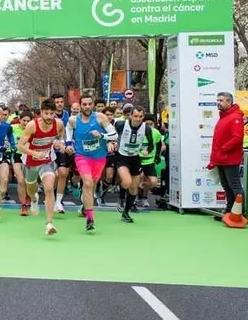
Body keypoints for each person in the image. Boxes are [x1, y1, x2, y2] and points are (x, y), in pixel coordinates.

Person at [65, 95, 118, 232]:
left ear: (93, 104)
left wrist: (102, 136)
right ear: (80, 105)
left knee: (92, 185)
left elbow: (115, 135)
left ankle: (84, 204)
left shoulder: (100, 117)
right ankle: (90, 218)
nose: (87, 107)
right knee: (87, 183)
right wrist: (69, 144)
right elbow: (68, 133)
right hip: (82, 156)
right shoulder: (73, 120)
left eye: (90, 104)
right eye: (84, 104)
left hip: (99, 157)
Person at [18, 99, 65, 235]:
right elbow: (20, 146)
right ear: (41, 113)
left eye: (52, 113)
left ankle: (49, 223)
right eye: (46, 113)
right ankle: (33, 199)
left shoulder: (59, 124)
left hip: (47, 160)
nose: (49, 117)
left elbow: (61, 136)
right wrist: (34, 153)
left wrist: (59, 143)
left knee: (49, 188)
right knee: (31, 188)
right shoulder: (32, 125)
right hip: (30, 161)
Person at [113, 106, 155, 223]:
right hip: (122, 156)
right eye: (135, 116)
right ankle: (121, 197)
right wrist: (111, 143)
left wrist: (147, 150)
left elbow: (151, 144)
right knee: (127, 182)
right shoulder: (121, 125)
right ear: (130, 116)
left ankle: (125, 213)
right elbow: (110, 133)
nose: (138, 119)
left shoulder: (146, 128)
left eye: (140, 117)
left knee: (133, 189)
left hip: (135, 158)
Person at [208, 92, 245, 217]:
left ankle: (240, 212)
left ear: (229, 102)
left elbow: (237, 138)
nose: (218, 102)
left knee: (234, 185)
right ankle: (230, 211)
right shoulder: (225, 117)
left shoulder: (235, 117)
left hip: (230, 158)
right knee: (226, 186)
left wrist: (223, 149)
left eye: (221, 100)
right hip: (222, 158)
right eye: (218, 100)